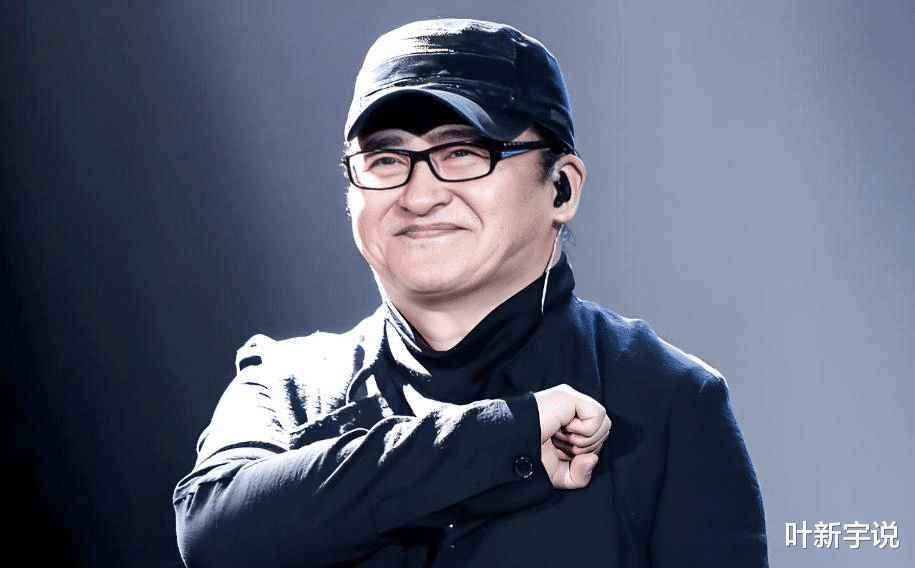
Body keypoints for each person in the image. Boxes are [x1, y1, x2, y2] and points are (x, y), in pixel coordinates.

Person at [173, 18, 767, 568]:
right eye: (386, 159)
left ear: (561, 187)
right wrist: (504, 434)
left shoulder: (668, 403)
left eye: (463, 152)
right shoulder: (287, 388)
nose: (419, 195)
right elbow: (212, 533)